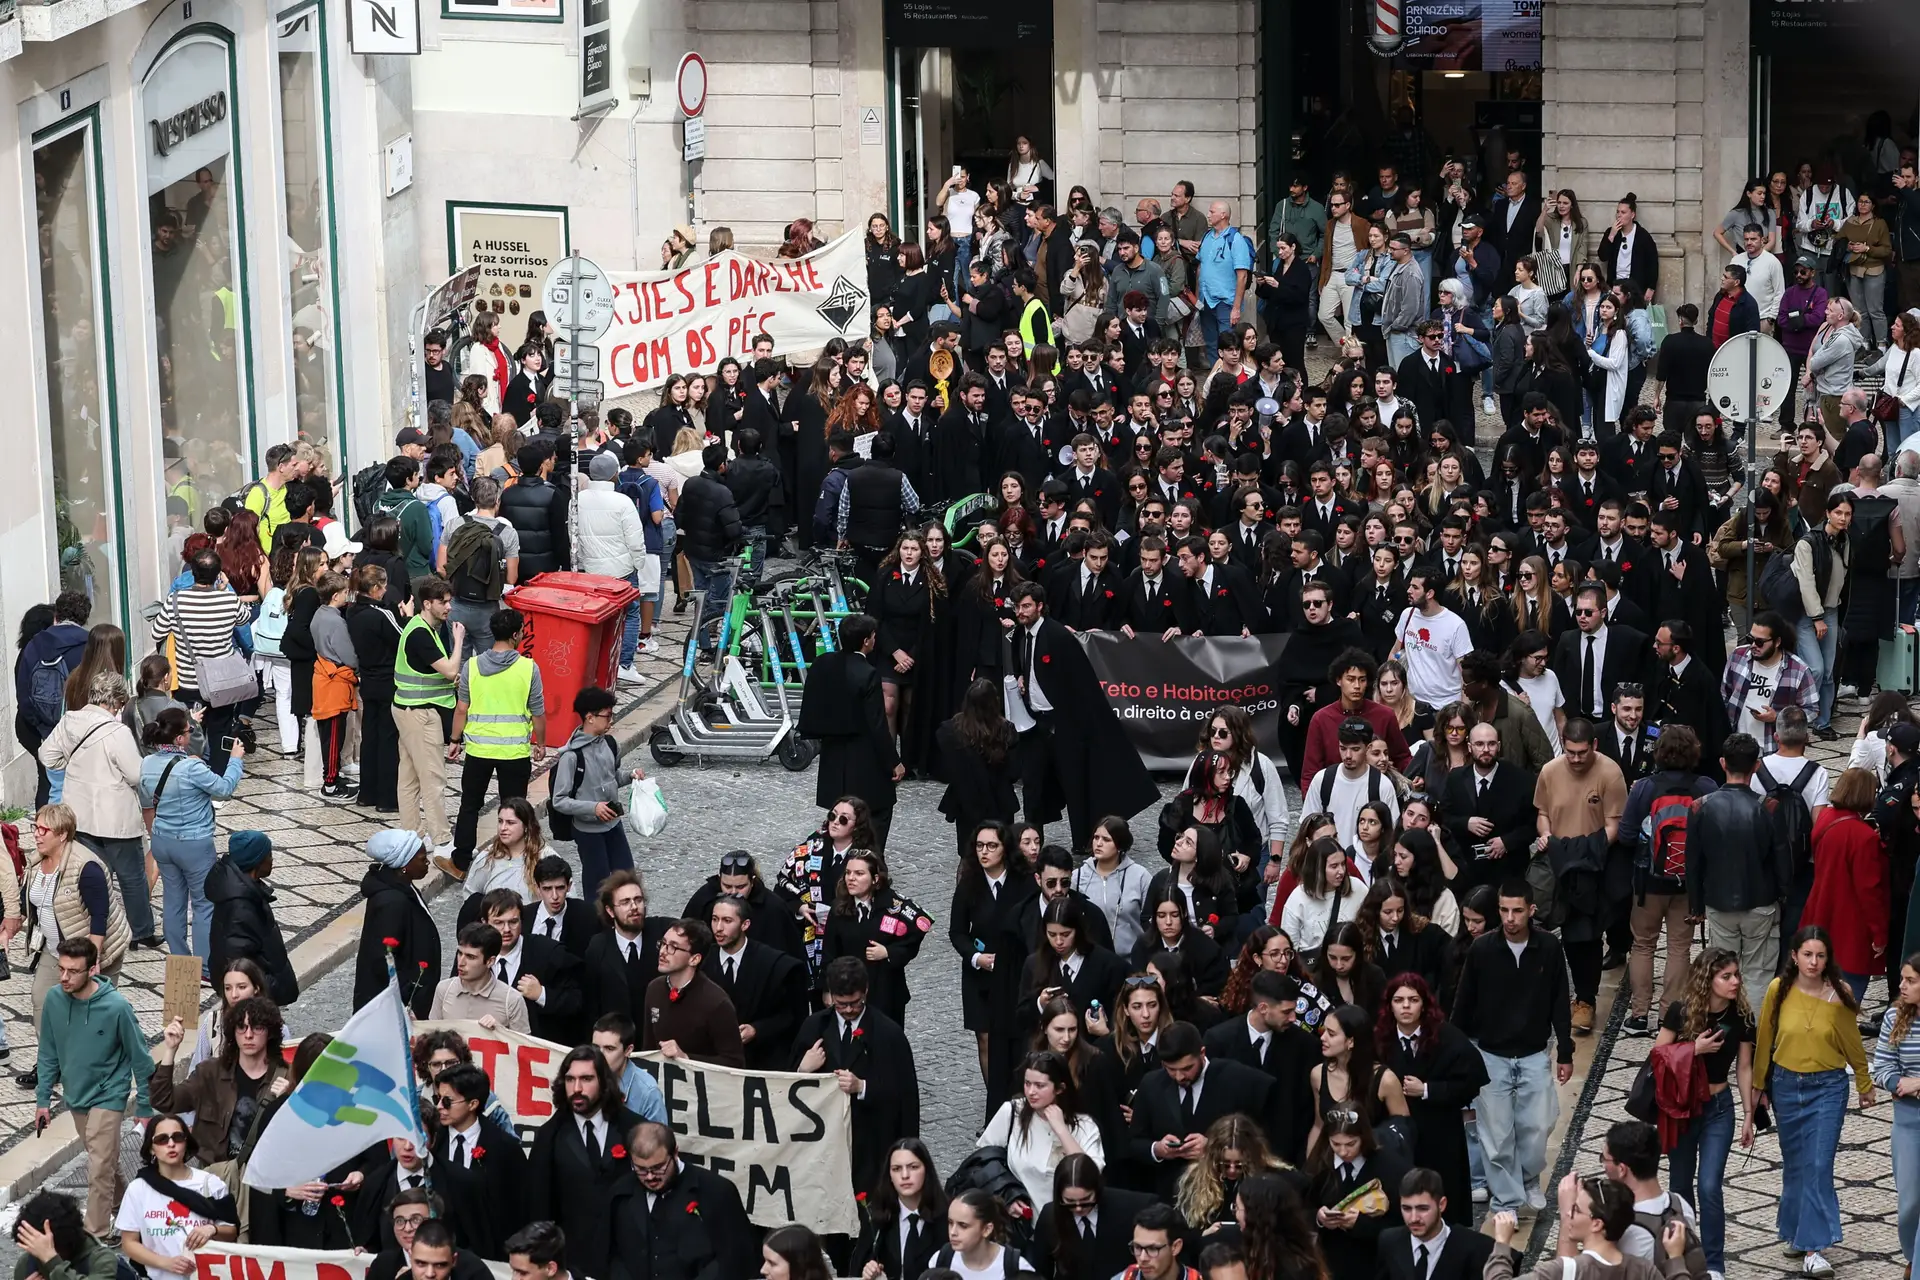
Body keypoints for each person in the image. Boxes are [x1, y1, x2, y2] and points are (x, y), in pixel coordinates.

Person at [1450, 881, 1574, 1217]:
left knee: (1539, 1124)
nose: (1509, 917)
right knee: (1496, 1134)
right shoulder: (1482, 950)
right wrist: (1453, 1051)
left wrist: (1565, 1049)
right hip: (1491, 1055)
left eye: (1517, 910)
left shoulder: (1548, 947)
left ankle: (1527, 1176)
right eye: (1504, 910)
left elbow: (1560, 1000)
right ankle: (1505, 1200)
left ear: (1531, 910)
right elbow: (1463, 1004)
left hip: (1534, 1052)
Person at [1756, 927, 1875, 1275]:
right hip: (1786, 1085)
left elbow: (1853, 1041)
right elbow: (1765, 1037)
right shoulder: (1779, 990)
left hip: (1828, 1087)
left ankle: (1813, 1249)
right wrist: (1758, 1088)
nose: (1813, 961)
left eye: (1820, 955)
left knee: (1819, 1165)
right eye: (1807, 954)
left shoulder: (1840, 993)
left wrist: (1864, 1082)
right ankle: (1796, 1232)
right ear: (1794, 956)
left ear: (1828, 959)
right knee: (1795, 1165)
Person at [1007, 582, 1159, 850]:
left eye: (1027, 606)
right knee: (1032, 784)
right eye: (1018, 606)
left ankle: (1082, 841)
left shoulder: (1058, 636)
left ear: (1040, 607)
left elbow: (1080, 684)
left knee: (1074, 784)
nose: (1021, 612)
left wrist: (1072, 725)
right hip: (1034, 723)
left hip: (1063, 725)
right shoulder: (1021, 635)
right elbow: (1024, 666)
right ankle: (1031, 841)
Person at [36, 938, 153, 1240]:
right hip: (77, 1096)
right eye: (61, 969)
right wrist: (43, 1100)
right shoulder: (53, 999)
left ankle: (95, 1236)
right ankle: (133, 1215)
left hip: (109, 1095)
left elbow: (141, 1058)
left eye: (73, 971)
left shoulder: (116, 1007)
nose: (64, 977)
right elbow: (47, 1051)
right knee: (106, 1164)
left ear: (92, 970)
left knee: (99, 1167)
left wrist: (144, 1106)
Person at [1652, 950, 1754, 1276]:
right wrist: (1692, 1049)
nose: (1735, 981)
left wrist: (1749, 1113)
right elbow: (1657, 1055)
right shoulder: (1680, 1012)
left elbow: (1745, 1067)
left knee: (1709, 1186)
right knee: (1680, 1188)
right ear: (1707, 980)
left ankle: (1714, 1265)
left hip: (1719, 1108)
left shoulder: (1742, 1017)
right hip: (1682, 1109)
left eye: (1736, 974)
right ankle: (1685, 1259)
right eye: (1726, 976)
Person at [792, 955, 920, 1202]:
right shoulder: (813, 1027)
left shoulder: (889, 1034)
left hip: (871, 1146)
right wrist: (802, 1070)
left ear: (866, 991)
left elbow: (904, 1095)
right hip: (824, 1146)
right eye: (841, 1005)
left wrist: (862, 1086)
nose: (849, 1010)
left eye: (855, 1003)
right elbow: (784, 1088)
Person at [39, 672, 153, 948]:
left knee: (92, 876)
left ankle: (95, 928)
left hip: (79, 815)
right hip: (115, 817)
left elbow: (47, 756)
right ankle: (141, 932)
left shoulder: (69, 721)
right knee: (131, 877)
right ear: (115, 700)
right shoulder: (117, 731)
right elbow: (136, 775)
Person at [1618, 725, 1718, 1034]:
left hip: (1648, 883)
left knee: (1643, 945)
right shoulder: (1705, 786)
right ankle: (1668, 1017)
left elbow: (1625, 834)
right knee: (1678, 948)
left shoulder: (1645, 788)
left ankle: (1637, 1016)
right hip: (1688, 884)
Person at [1685, 732, 1790, 1011]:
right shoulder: (1769, 808)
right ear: (1756, 766)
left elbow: (1692, 862)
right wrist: (1786, 895)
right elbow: (1782, 859)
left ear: (1722, 763)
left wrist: (1696, 905)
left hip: (1718, 903)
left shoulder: (1700, 807)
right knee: (1757, 974)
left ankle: (1727, 1030)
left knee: (1723, 970)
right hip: (1761, 902)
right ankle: (1754, 1036)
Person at [441, 608, 547, 880]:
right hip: (514, 753)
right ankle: (519, 859)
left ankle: (461, 862)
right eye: (521, 630)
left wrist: (455, 740)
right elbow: (537, 711)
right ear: (515, 635)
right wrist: (540, 742)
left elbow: (461, 708)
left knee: (469, 805)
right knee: (515, 809)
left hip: (479, 751)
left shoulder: (472, 667)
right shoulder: (528, 668)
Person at [138, 705, 243, 967]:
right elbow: (224, 789)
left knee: (173, 903)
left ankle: (181, 964)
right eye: (189, 730)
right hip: (194, 844)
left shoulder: (147, 763)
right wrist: (235, 759)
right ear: (179, 739)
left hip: (162, 840)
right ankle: (206, 967)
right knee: (203, 905)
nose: (192, 733)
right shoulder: (191, 768)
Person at [523, 1048, 641, 1280]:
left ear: (604, 1082)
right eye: (570, 1079)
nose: (577, 1089)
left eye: (586, 1079)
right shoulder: (550, 1136)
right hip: (574, 1262)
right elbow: (539, 1206)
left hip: (628, 1258)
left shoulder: (633, 1128)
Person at [1125, 1020, 1276, 1197]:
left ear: (1202, 1053)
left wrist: (1214, 1149)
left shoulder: (1238, 1080)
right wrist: (1157, 1149)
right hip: (1169, 1194)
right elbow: (1134, 1142)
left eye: (1187, 1068)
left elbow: (1262, 1140)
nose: (1179, 1076)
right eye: (1171, 1069)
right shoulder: (1151, 1084)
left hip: (1226, 1193)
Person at [797, 615, 902, 850]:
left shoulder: (823, 664)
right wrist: (894, 762)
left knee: (840, 815)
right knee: (879, 810)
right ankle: (871, 861)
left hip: (833, 756)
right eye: (873, 637)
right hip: (863, 758)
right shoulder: (867, 673)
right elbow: (877, 724)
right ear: (866, 641)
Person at [151, 994, 287, 1162]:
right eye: (241, 1027)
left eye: (257, 1027)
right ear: (233, 1032)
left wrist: (289, 1101)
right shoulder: (210, 1073)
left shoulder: (285, 1076)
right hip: (216, 1175)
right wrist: (170, 1050)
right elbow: (164, 1100)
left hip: (262, 1177)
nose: (248, 1035)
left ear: (270, 1033)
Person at [1484, 1175, 1692, 1280]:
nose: (1568, 1214)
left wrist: (1502, 1244)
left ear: (1597, 1223)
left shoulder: (1561, 1271)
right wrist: (1675, 1259)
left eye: (1575, 1209)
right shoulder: (1643, 1270)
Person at [1801, 767, 1890, 1001]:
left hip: (1820, 913)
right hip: (1851, 929)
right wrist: (1879, 935)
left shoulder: (1826, 818)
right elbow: (1869, 891)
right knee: (1847, 1001)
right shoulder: (1864, 837)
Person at [977, 1050, 1105, 1208]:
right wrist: (1007, 1195)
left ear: (1059, 1088)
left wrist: (1062, 1130)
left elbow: (1089, 1177)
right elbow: (983, 1161)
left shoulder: (1085, 1126)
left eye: (1040, 1086)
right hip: (1020, 1223)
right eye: (1027, 1083)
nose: (1031, 1092)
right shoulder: (1011, 1113)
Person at [550, 686, 646, 894]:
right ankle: (596, 924)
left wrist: (630, 776)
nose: (611, 720)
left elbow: (613, 778)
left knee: (627, 879)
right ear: (590, 717)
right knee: (597, 888)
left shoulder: (610, 744)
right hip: (588, 831)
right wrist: (593, 808)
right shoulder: (571, 757)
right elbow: (559, 800)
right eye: (607, 715)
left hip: (613, 824)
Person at [428, 1064, 530, 1259]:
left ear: (473, 1104)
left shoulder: (505, 1149)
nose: (439, 1106)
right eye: (437, 1099)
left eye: (447, 1101)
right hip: (437, 1250)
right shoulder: (432, 1142)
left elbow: (519, 1209)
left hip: (490, 1254)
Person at [393, 577, 463, 858]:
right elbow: (448, 670)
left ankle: (412, 835)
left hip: (408, 710)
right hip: (419, 714)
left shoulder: (423, 627)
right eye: (443, 602)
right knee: (432, 777)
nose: (449, 607)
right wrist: (459, 641)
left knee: (409, 778)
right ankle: (442, 840)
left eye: (449, 601)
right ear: (427, 604)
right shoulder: (422, 633)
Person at [115, 1113, 237, 1272]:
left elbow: (232, 1232)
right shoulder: (138, 1189)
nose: (171, 1144)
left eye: (178, 1137)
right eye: (162, 1140)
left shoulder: (211, 1184)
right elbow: (129, 1243)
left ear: (186, 1142)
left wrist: (213, 1230)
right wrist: (165, 1263)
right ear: (151, 1148)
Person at [355, 829, 440, 1018]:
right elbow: (383, 959)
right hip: (395, 1008)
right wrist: (407, 997)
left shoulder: (403, 887)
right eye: (421, 858)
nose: (426, 861)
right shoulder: (392, 902)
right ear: (404, 865)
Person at [205, 832, 297, 1005]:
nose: (272, 860)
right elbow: (237, 961)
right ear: (257, 861)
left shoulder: (244, 893)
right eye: (269, 855)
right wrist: (271, 989)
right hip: (253, 1003)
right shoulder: (240, 906)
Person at [639, 917, 744, 1066]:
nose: (663, 952)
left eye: (673, 947)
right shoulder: (654, 989)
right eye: (663, 943)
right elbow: (648, 1048)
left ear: (694, 959)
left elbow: (735, 1063)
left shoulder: (716, 1003)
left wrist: (686, 1058)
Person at [1791, 490, 1853, 737]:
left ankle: (1822, 720)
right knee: (1814, 668)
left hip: (1831, 610)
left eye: (1848, 514)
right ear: (1828, 513)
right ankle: (1801, 715)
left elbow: (1844, 577)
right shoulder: (1808, 543)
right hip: (1809, 614)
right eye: (1838, 512)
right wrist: (1817, 617)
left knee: (1828, 670)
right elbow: (1806, 582)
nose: (1843, 518)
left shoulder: (1845, 541)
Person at [676, 441, 746, 657]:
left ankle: (704, 642)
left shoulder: (691, 484)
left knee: (701, 595)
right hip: (716, 553)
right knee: (718, 601)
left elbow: (680, 515)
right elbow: (733, 528)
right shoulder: (722, 492)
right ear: (722, 465)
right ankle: (719, 644)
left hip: (694, 549)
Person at [936, 679, 1021, 857]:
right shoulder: (1006, 731)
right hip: (999, 803)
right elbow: (1014, 773)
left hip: (966, 804)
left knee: (969, 855)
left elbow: (944, 771)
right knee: (999, 853)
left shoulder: (950, 731)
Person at [1873, 953, 1920, 1272]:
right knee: (1909, 1202)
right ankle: (1912, 1256)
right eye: (1902, 979)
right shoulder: (1894, 1017)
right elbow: (1883, 1067)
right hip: (1908, 1120)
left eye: (1911, 981)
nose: (1901, 985)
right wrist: (1901, 1082)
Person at [851, 1138, 949, 1280]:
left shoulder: (946, 1215)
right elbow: (857, 1266)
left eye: (913, 1167)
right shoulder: (878, 1215)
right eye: (896, 1169)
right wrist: (867, 1270)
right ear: (889, 1175)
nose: (905, 1175)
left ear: (926, 1170)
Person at [1376, 1166, 1496, 1280]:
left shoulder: (1476, 1247)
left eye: (1422, 1209)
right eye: (1406, 1208)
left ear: (1441, 1204)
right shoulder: (1390, 1241)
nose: (1413, 1218)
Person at [429, 922, 532, 1030]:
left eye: (470, 957)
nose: (461, 962)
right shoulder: (444, 990)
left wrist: (500, 1032)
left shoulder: (511, 1000)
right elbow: (431, 1037)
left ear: (490, 961)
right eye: (460, 953)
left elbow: (522, 1045)